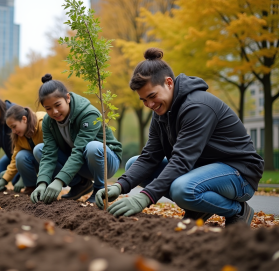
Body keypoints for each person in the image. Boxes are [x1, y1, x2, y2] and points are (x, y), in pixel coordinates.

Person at [95, 48, 264, 226]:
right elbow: (150, 156)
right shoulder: (161, 112)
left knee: (183, 189)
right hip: (201, 169)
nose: (149, 105)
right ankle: (200, 207)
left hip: (239, 173)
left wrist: (144, 198)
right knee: (133, 164)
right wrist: (120, 185)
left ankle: (238, 210)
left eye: (152, 96)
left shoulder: (197, 106)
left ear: (169, 83)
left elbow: (181, 160)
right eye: (144, 100)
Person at [30, 74, 123, 204]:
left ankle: (100, 188)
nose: (55, 112)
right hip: (81, 163)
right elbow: (49, 153)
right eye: (48, 108)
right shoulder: (48, 122)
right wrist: (42, 182)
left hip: (106, 161)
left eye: (58, 105)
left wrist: (59, 181)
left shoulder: (89, 114)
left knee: (92, 147)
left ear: (67, 98)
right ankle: (80, 184)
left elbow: (79, 151)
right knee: (39, 150)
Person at [0, 105, 46, 196]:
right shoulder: (20, 136)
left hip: (56, 159)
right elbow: (15, 159)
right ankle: (31, 187)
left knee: (38, 149)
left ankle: (46, 185)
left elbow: (54, 149)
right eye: (11, 128)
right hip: (40, 161)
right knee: (21, 156)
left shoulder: (42, 122)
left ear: (24, 119)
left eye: (14, 126)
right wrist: (4, 180)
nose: (13, 131)